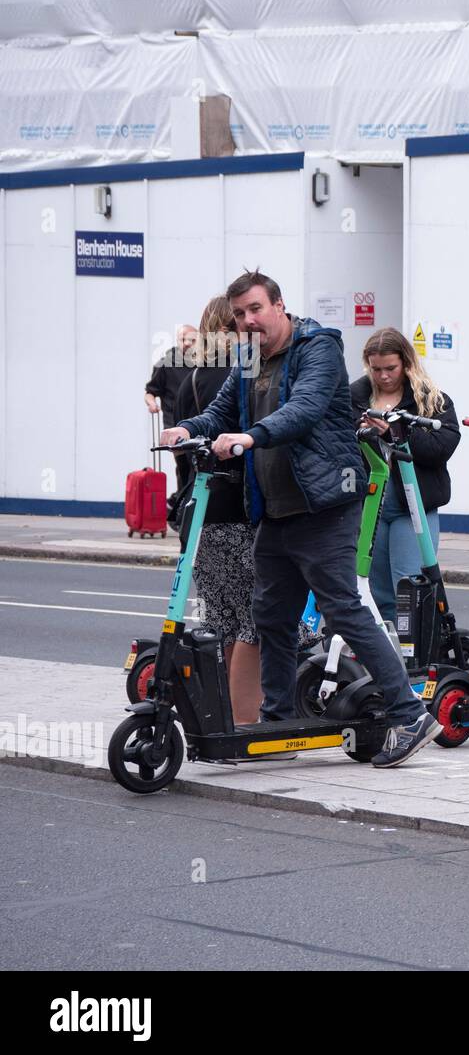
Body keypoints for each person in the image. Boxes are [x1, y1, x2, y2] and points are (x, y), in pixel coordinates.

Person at [162, 269, 438, 768]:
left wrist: (251, 438)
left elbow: (305, 409)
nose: (249, 321)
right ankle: (276, 720)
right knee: (271, 616)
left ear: (279, 306)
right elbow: (224, 411)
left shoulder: (319, 347)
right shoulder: (248, 357)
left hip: (326, 504)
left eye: (256, 310)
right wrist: (186, 428)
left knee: (343, 609)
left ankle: (409, 713)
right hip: (275, 508)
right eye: (240, 315)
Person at [171, 297, 263, 724]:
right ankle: (247, 720)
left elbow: (180, 451)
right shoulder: (242, 374)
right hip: (238, 507)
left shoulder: (188, 377)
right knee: (258, 619)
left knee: (222, 620)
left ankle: (224, 713)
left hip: (199, 509)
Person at [349, 328, 460, 623]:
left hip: (412, 508)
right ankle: (387, 657)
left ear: (406, 363)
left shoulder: (433, 400)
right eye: (376, 369)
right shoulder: (354, 398)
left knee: (408, 588)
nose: (384, 376)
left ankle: (415, 659)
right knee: (377, 591)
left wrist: (398, 432)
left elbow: (441, 447)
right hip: (370, 506)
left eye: (391, 368)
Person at [146, 324, 200, 501]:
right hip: (173, 423)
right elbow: (150, 391)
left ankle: (184, 501)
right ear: (178, 340)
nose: (187, 343)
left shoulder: (202, 363)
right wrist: (152, 403)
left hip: (197, 422)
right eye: (183, 339)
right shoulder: (165, 363)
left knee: (197, 465)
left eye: (191, 340)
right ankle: (182, 504)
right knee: (183, 464)